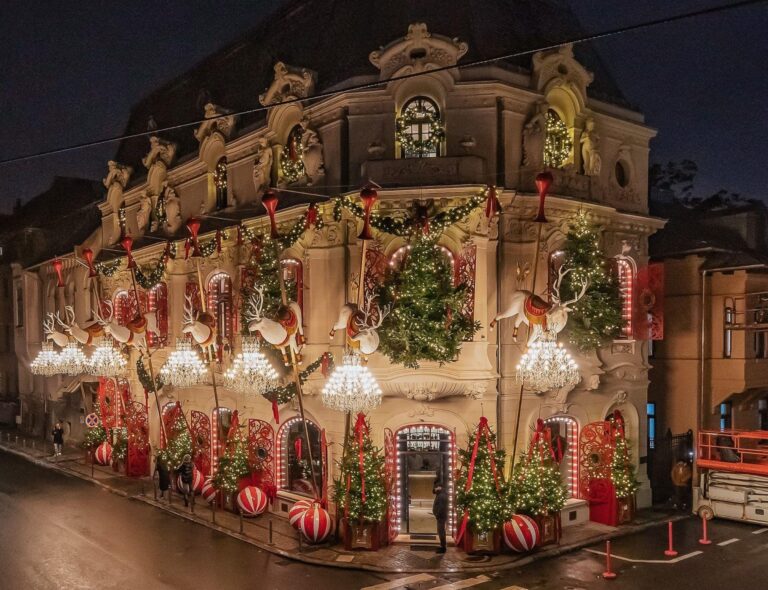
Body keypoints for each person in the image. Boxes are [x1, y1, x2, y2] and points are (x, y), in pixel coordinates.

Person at [432, 480, 448, 554]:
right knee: (441, 531)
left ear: (439, 487)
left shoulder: (442, 495)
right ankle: (442, 546)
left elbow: (441, 507)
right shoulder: (440, 493)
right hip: (440, 516)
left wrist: (437, 514)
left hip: (441, 516)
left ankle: (443, 547)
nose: (434, 489)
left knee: (441, 531)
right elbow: (433, 492)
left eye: (435, 487)